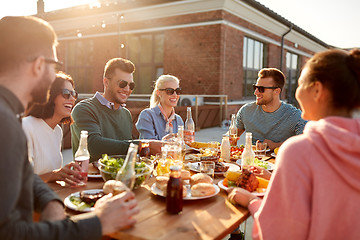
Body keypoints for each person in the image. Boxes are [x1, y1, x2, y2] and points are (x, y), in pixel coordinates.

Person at [0, 16, 139, 239]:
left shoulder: (9, 115)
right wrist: (99, 223)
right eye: (54, 66)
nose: (55, 75)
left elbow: (26, 175)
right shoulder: (5, 124)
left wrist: (51, 202)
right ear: (38, 65)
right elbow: (9, 234)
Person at [228, 49, 360, 239]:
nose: (297, 93)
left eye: (299, 84)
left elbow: (280, 233)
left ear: (317, 90)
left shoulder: (300, 151)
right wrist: (274, 179)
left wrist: (251, 202)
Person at [71, 58, 162, 163]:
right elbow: (93, 146)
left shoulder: (126, 114)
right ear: (106, 82)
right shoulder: (84, 109)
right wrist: (144, 145)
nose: (127, 89)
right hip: (90, 178)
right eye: (122, 84)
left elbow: (125, 151)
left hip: (121, 177)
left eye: (131, 85)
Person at [23, 72, 83, 185]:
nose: (72, 99)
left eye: (74, 94)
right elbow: (22, 180)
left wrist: (65, 173)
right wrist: (53, 175)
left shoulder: (57, 131)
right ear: (50, 95)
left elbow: (52, 175)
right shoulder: (26, 127)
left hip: (51, 195)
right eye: (66, 93)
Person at [234, 68, 307, 150]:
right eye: (255, 88)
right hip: (252, 161)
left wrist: (277, 145)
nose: (256, 92)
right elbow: (231, 137)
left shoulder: (294, 116)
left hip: (280, 162)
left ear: (277, 91)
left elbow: (307, 143)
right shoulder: (246, 111)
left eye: (261, 89)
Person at [136, 75, 184, 140]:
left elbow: (180, 147)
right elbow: (149, 145)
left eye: (177, 91)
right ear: (158, 93)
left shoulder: (178, 120)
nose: (175, 95)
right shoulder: (147, 115)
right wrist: (167, 141)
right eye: (169, 91)